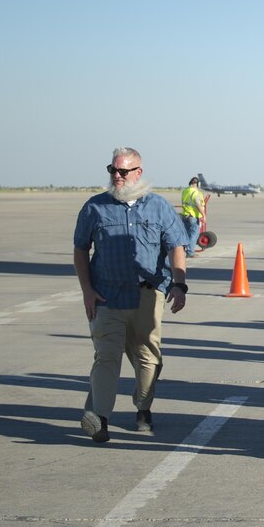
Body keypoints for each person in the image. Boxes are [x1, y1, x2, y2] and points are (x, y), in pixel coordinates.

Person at [73, 147, 189, 443]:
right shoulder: (94, 207)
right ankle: (99, 419)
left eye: (123, 171)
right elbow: (80, 250)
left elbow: (177, 245)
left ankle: (143, 406)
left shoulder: (159, 207)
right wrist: (87, 290)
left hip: (147, 296)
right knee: (106, 356)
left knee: (148, 359)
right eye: (113, 170)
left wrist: (179, 283)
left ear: (138, 172)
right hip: (106, 296)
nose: (117, 176)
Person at [180, 176, 206, 257]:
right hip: (193, 216)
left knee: (187, 234)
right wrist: (203, 215)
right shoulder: (196, 192)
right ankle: (190, 252)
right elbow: (198, 204)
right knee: (194, 234)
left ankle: (184, 250)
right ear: (197, 184)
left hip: (185, 215)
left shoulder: (185, 191)